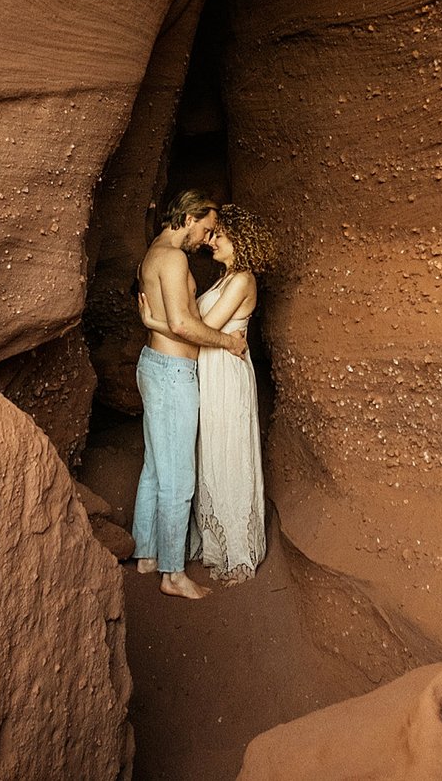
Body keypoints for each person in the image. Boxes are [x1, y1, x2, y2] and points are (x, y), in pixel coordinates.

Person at [131, 190, 247, 600]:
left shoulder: (154, 252)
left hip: (154, 365)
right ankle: (173, 574)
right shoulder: (175, 257)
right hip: (173, 374)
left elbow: (172, 321)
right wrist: (227, 343)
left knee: (154, 468)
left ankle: (146, 555)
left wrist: (153, 322)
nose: (207, 237)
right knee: (179, 479)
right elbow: (184, 325)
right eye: (207, 227)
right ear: (191, 216)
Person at [189, 204, 274, 580]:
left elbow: (203, 324)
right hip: (213, 367)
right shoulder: (225, 278)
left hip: (227, 374)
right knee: (213, 451)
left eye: (218, 236)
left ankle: (238, 551)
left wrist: (182, 319)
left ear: (239, 239)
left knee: (231, 452)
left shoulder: (242, 280)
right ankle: (216, 543)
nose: (212, 243)